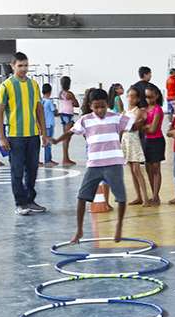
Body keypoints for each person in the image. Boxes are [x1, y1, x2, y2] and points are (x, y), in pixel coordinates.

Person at [56, 88, 129, 243]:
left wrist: (145, 122)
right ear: (90, 106)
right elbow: (70, 132)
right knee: (82, 197)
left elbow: (133, 124)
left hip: (113, 164)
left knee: (121, 198)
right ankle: (79, 230)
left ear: (107, 104)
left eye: (103, 106)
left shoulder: (116, 118)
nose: (100, 110)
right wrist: (56, 140)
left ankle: (119, 226)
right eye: (96, 107)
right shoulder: (85, 120)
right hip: (94, 165)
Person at [0, 52, 51, 216]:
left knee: (33, 170)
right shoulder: (6, 86)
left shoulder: (34, 85)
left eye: (26, 65)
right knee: (17, 171)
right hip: (15, 136)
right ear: (12, 66)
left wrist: (44, 133)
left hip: (33, 135)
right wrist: (2, 137)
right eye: (20, 65)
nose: (23, 69)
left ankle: (30, 200)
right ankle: (20, 203)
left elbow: (39, 109)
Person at [120, 87, 150, 206]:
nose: (131, 98)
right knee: (131, 171)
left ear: (137, 99)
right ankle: (138, 197)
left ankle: (146, 198)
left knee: (137, 170)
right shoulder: (125, 111)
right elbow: (122, 128)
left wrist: (127, 125)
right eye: (129, 96)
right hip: (125, 140)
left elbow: (132, 126)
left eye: (133, 96)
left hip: (133, 140)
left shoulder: (138, 111)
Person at [143, 85, 166, 205]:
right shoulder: (144, 109)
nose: (148, 99)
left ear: (156, 96)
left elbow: (153, 129)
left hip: (157, 141)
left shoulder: (158, 109)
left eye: (151, 97)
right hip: (147, 141)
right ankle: (153, 194)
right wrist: (146, 127)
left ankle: (156, 196)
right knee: (148, 169)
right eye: (146, 97)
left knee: (156, 169)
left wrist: (143, 127)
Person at [58, 76, 79, 166]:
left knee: (66, 137)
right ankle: (65, 159)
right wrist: (74, 101)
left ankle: (66, 158)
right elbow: (76, 104)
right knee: (67, 138)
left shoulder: (60, 93)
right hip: (68, 115)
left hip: (63, 114)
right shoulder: (69, 94)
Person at [41, 83, 58, 167]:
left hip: (44, 124)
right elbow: (55, 112)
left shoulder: (41, 101)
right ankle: (48, 160)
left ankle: (48, 159)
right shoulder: (49, 101)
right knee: (48, 142)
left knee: (46, 141)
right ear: (50, 92)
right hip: (50, 124)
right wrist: (55, 107)